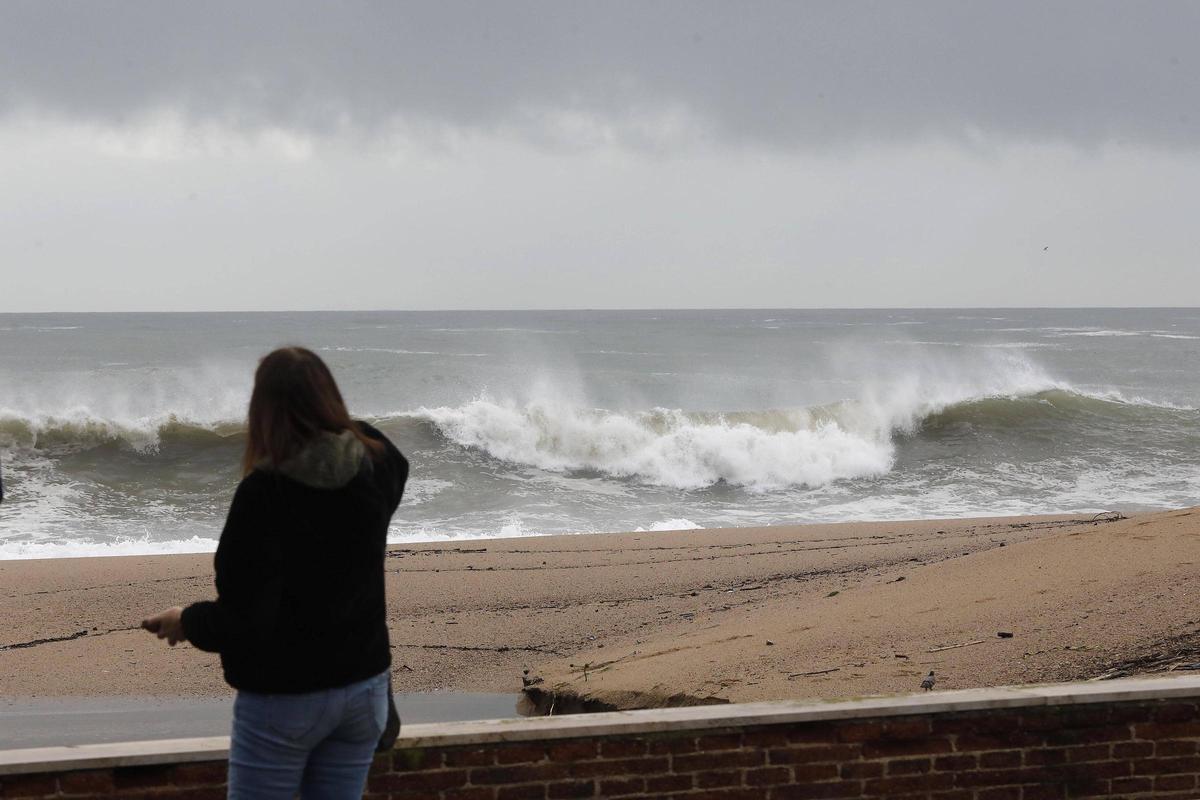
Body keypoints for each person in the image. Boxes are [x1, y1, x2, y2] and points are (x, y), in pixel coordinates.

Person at [142, 346, 408, 799]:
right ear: (331, 400)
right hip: (364, 689)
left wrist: (185, 621)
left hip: (287, 698)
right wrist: (334, 419)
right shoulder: (375, 466)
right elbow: (382, 448)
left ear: (262, 411)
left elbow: (244, 618)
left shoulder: (265, 494)